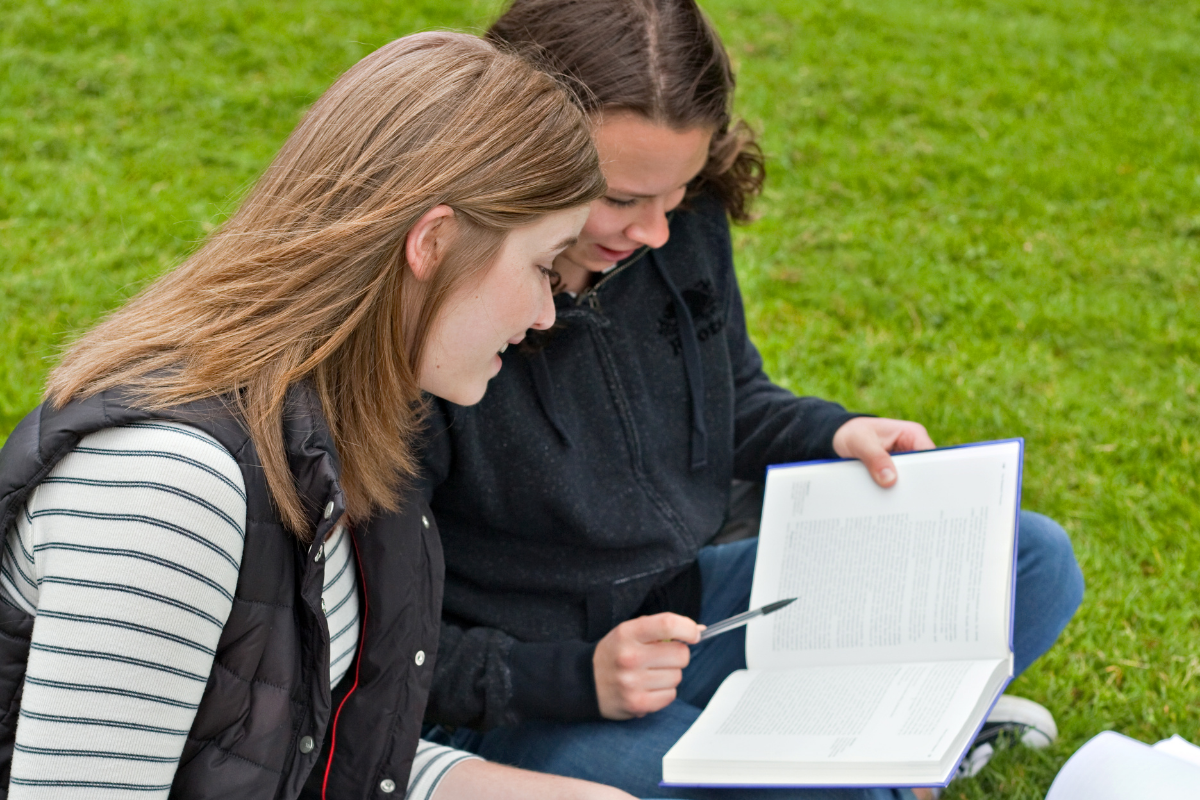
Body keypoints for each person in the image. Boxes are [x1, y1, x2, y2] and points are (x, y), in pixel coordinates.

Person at [419, 2, 1086, 799]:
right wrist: (575, 678)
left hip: (693, 614)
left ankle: (872, 734)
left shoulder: (679, 222)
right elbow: (378, 645)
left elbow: (728, 394)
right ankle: (869, 748)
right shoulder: (443, 321)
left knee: (1032, 562)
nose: (657, 231)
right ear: (520, 152)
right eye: (623, 197)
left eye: (677, 191)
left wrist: (837, 435)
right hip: (533, 694)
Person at [0, 31, 638, 800]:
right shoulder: (168, 491)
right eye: (542, 266)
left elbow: (328, 752)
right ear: (432, 242)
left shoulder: (348, 431)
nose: (546, 314)